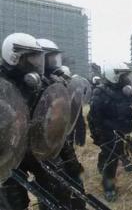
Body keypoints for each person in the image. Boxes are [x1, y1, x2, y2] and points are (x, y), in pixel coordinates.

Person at [0, 33, 72, 210]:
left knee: (57, 189)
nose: (37, 64)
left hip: (36, 147)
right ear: (14, 57)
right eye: (31, 59)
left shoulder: (39, 83)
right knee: (12, 201)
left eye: (37, 58)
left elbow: (53, 118)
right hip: (7, 152)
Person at [37, 38, 86, 210]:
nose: (53, 63)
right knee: (54, 186)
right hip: (42, 145)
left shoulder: (53, 81)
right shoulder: (34, 84)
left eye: (54, 58)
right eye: (49, 58)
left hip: (60, 137)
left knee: (75, 175)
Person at [87, 65, 132, 202]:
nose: (126, 79)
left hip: (126, 130)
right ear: (113, 76)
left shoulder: (125, 91)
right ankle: (109, 189)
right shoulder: (100, 92)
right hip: (109, 132)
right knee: (111, 160)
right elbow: (94, 117)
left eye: (126, 76)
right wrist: (99, 136)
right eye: (123, 76)